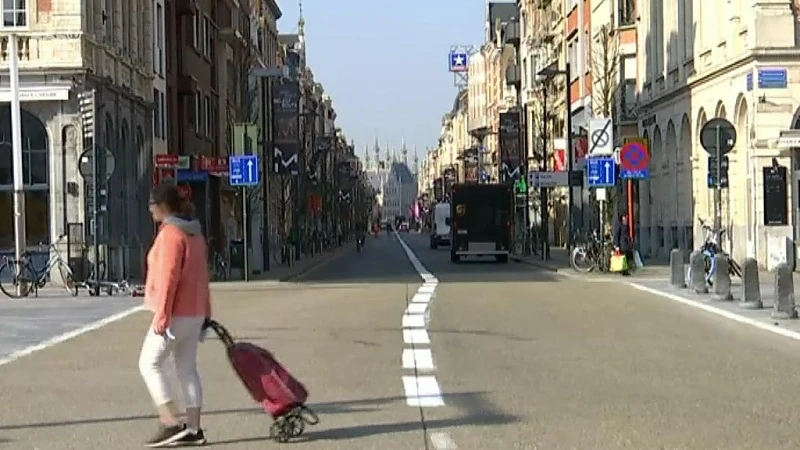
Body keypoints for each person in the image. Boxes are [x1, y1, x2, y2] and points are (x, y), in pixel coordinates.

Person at [139, 184, 211, 447]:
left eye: (152, 204)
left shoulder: (171, 234)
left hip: (175, 314)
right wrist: (207, 313)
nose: (149, 209)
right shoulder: (196, 234)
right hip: (194, 314)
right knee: (187, 370)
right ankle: (193, 429)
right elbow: (204, 277)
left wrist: (162, 314)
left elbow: (169, 277)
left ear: (164, 207)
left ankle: (169, 422)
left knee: (148, 363)